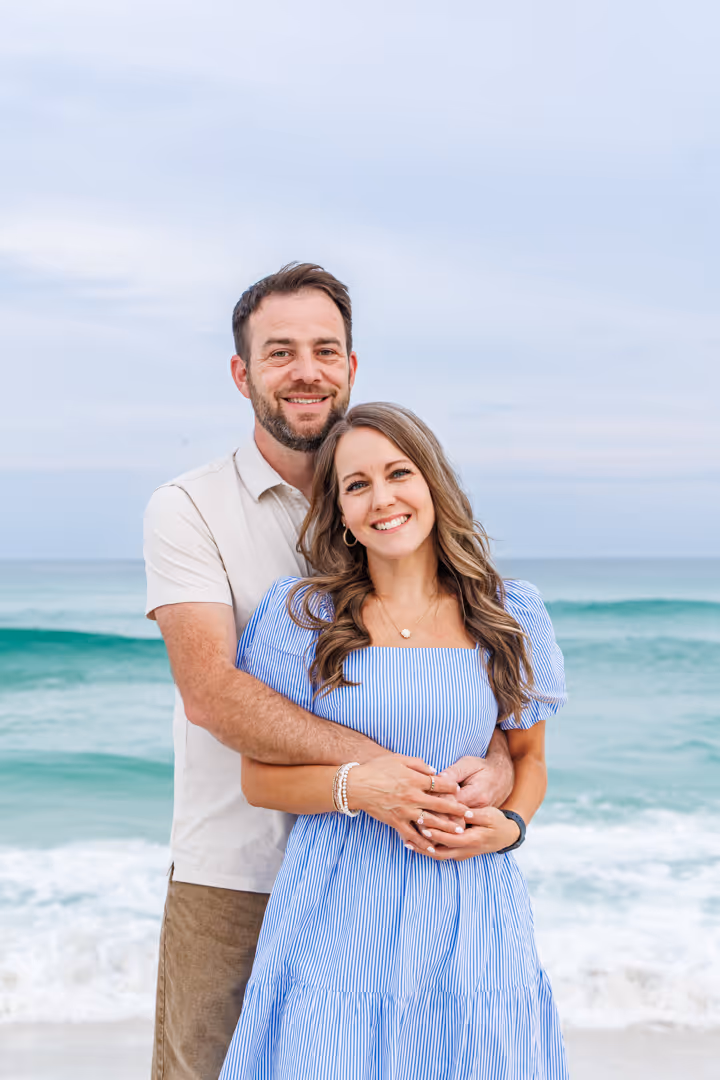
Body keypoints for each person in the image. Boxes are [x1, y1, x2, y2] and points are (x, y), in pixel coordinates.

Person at [143, 264, 514, 1080]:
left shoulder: (392, 505)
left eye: (325, 349)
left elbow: (477, 703)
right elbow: (212, 694)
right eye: (280, 352)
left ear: (351, 366)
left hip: (392, 880)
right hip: (240, 873)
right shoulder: (190, 507)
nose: (305, 370)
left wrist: (492, 771)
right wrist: (378, 773)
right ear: (242, 374)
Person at [219, 402, 569, 1080]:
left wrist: (511, 828)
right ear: (341, 514)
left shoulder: (509, 612)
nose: (383, 498)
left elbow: (529, 760)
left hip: (467, 903)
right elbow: (259, 781)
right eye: (356, 485)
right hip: (337, 904)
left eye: (398, 473)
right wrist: (360, 787)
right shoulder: (303, 617)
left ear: (431, 482)